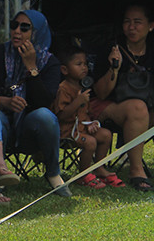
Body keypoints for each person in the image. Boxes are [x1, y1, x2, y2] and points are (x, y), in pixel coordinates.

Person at [0, 9, 71, 197]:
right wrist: (4, 101)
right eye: (14, 25)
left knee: (45, 116)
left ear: (37, 33)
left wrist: (31, 67)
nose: (17, 32)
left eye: (25, 28)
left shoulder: (50, 62)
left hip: (30, 129)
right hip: (0, 124)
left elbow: (45, 102)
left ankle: (54, 173)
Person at [90, 5, 154, 191]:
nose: (131, 27)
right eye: (127, 22)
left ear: (150, 26)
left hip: (144, 109)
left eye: (137, 22)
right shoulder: (112, 47)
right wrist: (114, 67)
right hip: (109, 107)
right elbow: (101, 93)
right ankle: (136, 170)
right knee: (137, 107)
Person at [52, 45, 124, 188]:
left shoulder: (82, 87)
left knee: (105, 135)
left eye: (85, 64)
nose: (84, 67)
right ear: (65, 70)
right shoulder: (63, 89)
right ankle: (83, 175)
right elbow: (60, 115)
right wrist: (78, 102)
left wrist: (90, 123)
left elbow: (85, 113)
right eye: (79, 64)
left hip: (81, 128)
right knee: (90, 142)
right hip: (67, 131)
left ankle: (98, 167)